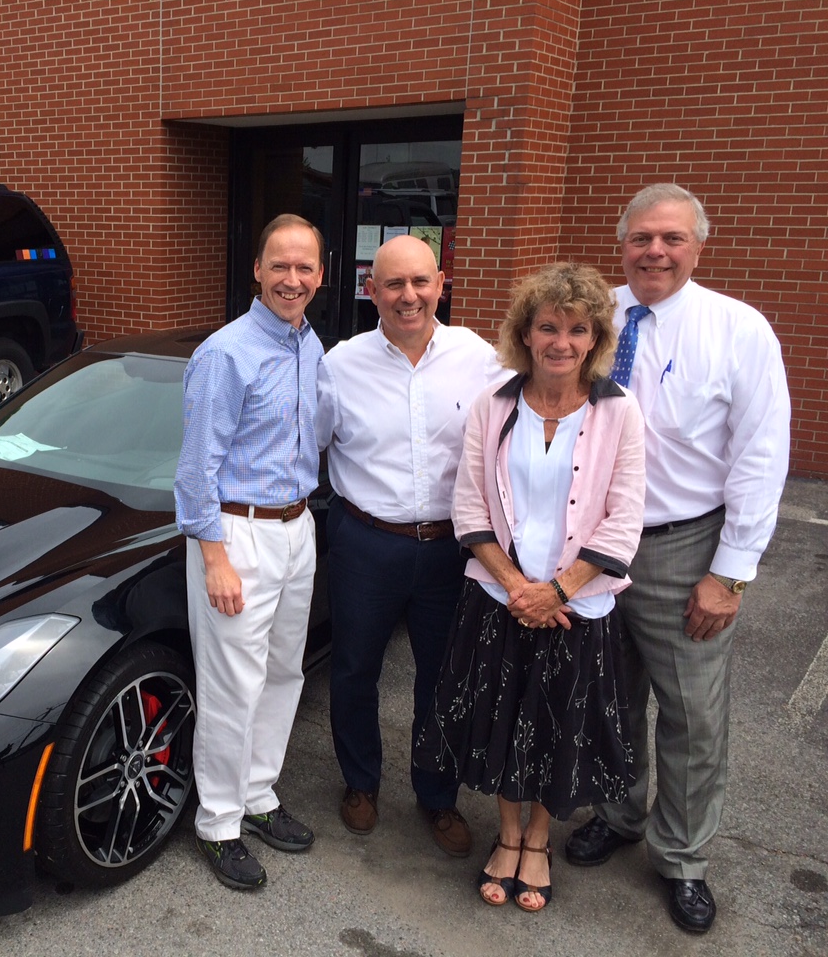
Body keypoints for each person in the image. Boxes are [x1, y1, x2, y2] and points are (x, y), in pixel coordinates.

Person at [562, 184, 791, 934]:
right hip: (596, 546)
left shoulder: (738, 330)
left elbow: (761, 456)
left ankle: (683, 857)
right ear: (621, 243)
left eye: (672, 239)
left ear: (698, 245)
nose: (655, 252)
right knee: (612, 697)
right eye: (642, 239)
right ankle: (620, 815)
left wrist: (729, 573)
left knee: (692, 715)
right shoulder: (596, 319)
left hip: (682, 544)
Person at [413, 262, 646, 913]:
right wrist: (519, 586)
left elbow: (625, 517)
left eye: (578, 329)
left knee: (556, 729)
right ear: (526, 333)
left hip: (580, 607)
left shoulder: (619, 413)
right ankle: (508, 835)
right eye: (548, 327)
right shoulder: (495, 405)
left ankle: (539, 840)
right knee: (503, 724)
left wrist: (560, 591)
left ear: (596, 339)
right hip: (499, 600)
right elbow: (469, 509)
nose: (561, 342)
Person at [315, 234, 507, 857]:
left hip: (451, 549)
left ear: (441, 283)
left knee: (444, 677)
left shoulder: (479, 359)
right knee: (353, 669)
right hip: (365, 542)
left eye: (420, 282)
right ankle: (361, 783)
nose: (408, 296)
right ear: (371, 290)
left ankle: (437, 795)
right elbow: (307, 447)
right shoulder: (339, 364)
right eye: (393, 284)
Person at [173, 213, 324, 890]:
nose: (293, 278)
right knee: (232, 686)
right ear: (257, 271)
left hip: (297, 528)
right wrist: (214, 558)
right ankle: (218, 823)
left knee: (283, 672)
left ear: (321, 275)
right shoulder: (225, 353)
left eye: (305, 267)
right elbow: (197, 467)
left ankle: (259, 796)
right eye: (280, 266)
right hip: (238, 534)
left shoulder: (308, 343)